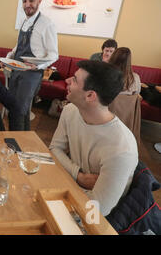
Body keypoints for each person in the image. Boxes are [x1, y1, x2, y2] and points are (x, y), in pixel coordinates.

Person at [49, 60, 138, 216]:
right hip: (69, 189)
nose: (68, 80)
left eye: (75, 80)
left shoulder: (122, 149)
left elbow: (97, 210)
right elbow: (55, 149)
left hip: (99, 220)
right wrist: (79, 176)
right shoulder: (70, 111)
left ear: (90, 95)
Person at [6, 0, 58, 131]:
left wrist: (38, 67)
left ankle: (17, 143)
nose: (27, 4)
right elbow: (19, 45)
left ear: (39, 1)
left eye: (31, 0)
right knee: (13, 107)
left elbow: (54, 54)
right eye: (24, 1)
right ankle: (18, 140)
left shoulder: (47, 24)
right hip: (16, 69)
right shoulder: (24, 21)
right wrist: (10, 55)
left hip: (31, 74)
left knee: (20, 110)